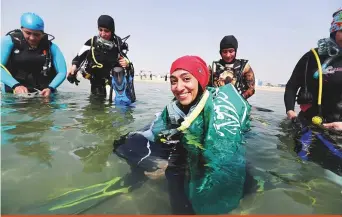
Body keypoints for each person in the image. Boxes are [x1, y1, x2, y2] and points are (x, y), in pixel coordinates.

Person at [113, 55, 251, 214]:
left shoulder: (218, 112)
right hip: (183, 142)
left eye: (186, 79)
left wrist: (176, 167)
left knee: (187, 182)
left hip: (210, 148)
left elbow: (224, 161)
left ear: (200, 80)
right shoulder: (173, 109)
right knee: (124, 143)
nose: (178, 87)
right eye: (173, 81)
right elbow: (154, 132)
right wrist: (155, 161)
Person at [284, 8, 342, 126]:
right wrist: (290, 111)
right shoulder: (312, 57)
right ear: (334, 32)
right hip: (307, 125)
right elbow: (292, 86)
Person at [67, 15, 135, 102]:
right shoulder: (91, 42)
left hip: (112, 83)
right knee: (95, 107)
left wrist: (127, 64)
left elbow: (127, 63)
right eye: (100, 30)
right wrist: (74, 67)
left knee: (115, 105)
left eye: (106, 31)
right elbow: (78, 57)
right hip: (96, 82)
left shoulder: (118, 44)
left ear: (112, 31)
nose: (103, 34)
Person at [1, 12, 67, 97]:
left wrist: (51, 88)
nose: (32, 38)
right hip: (13, 93)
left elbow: (62, 72)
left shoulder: (51, 47)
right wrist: (16, 86)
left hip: (44, 94)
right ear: (22, 29)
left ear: (43, 34)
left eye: (37, 34)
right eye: (28, 33)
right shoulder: (8, 41)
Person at [209, 35, 256, 100]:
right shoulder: (213, 67)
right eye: (225, 52)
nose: (228, 55)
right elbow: (205, 87)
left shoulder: (244, 66)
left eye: (231, 51)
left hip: (239, 102)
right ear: (220, 52)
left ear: (235, 51)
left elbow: (251, 89)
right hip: (217, 102)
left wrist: (239, 99)